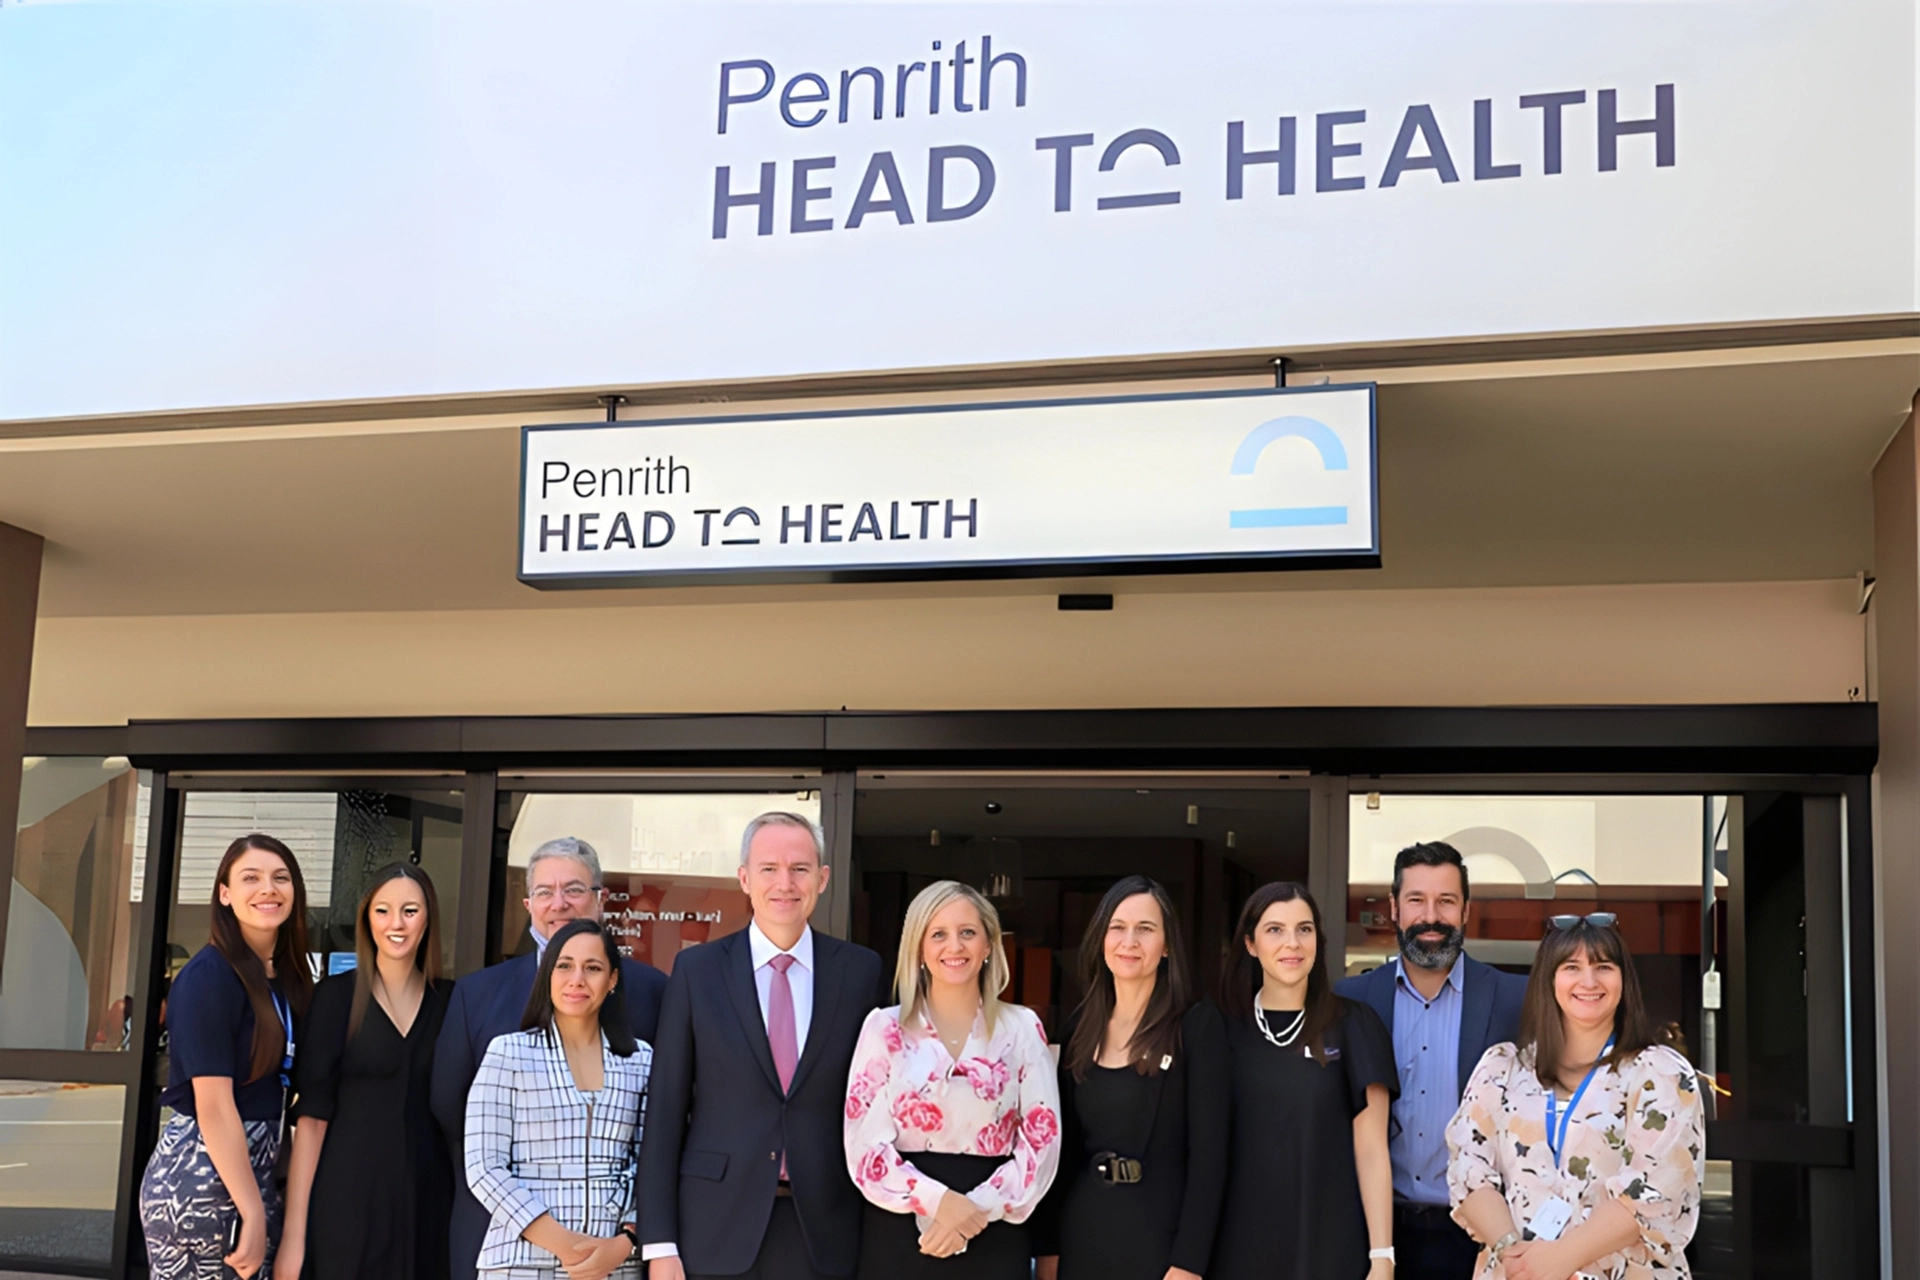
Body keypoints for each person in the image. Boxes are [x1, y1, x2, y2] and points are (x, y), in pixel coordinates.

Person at [639, 812, 886, 1280]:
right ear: (745, 879)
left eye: (800, 868)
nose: (784, 883)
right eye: (769, 868)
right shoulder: (697, 971)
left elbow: (877, 1105)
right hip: (713, 1226)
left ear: (822, 879)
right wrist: (659, 1242)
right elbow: (666, 1109)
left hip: (827, 1228)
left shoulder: (861, 972)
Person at [432, 837, 668, 1280]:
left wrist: (627, 1237)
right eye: (545, 891)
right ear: (528, 904)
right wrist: (560, 1240)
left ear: (601, 899)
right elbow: (451, 1111)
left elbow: (659, 1139)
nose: (559, 903)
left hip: (617, 1257)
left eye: (574, 889)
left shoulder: (655, 994)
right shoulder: (478, 996)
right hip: (511, 1243)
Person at [1446, 914, 1705, 1280]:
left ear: (1624, 979)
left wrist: (1559, 1259)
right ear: (1549, 979)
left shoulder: (1659, 1074)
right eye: (1572, 967)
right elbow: (1469, 1171)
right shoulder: (1502, 1069)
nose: (1589, 981)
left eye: (1604, 967)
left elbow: (1656, 1192)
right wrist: (1512, 1253)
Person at [843, 880, 1062, 1280]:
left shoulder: (1021, 1029)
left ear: (988, 945)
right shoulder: (883, 1028)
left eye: (968, 932)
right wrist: (939, 1202)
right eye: (939, 934)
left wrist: (975, 1210)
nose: (954, 946)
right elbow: (863, 1147)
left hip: (994, 1232)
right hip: (901, 1234)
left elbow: (1042, 1145)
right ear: (919, 948)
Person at [1337, 842, 1530, 1280]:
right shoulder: (1350, 1000)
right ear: (1394, 908)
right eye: (1416, 900)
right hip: (1375, 1238)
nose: (1431, 916)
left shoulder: (1514, 1000)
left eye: (1445, 901)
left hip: (1484, 1237)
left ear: (1465, 910)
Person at [1034, 876, 1227, 1280]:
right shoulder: (1077, 1029)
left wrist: (1189, 1262)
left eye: (1146, 929)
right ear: (1100, 939)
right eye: (1117, 927)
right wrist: (1047, 1248)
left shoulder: (1196, 1025)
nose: (1129, 942)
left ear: (1168, 944)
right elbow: (1057, 1153)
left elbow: (1210, 1156)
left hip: (1160, 1243)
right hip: (1082, 1237)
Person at [139, 834, 315, 1280]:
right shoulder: (209, 976)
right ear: (224, 893)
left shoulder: (284, 977)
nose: (268, 889)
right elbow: (214, 1106)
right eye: (250, 878)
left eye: (280, 878)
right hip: (200, 1184)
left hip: (252, 1182)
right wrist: (251, 1211)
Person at [278, 863, 456, 1280]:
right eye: (382, 910)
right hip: (347, 1203)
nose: (397, 924)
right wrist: (293, 1236)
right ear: (366, 919)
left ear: (428, 918)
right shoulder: (335, 999)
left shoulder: (451, 1003)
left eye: (410, 911)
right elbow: (312, 1123)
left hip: (428, 1205)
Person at [1211, 882, 1397, 1280]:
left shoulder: (1355, 1024)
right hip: (1237, 1248)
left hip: (1329, 1247)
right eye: (1275, 930)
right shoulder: (1219, 1030)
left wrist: (1382, 1256)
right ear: (1250, 944)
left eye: (1304, 929)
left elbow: (1371, 1151)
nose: (1292, 943)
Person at [466, 918, 650, 1280]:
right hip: (520, 1263)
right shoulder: (508, 1053)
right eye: (564, 965)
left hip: (616, 1265)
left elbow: (650, 1164)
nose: (577, 979)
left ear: (612, 979)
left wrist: (626, 1241)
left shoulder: (641, 1060)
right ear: (546, 974)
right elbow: (483, 1166)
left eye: (592, 968)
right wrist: (565, 1245)